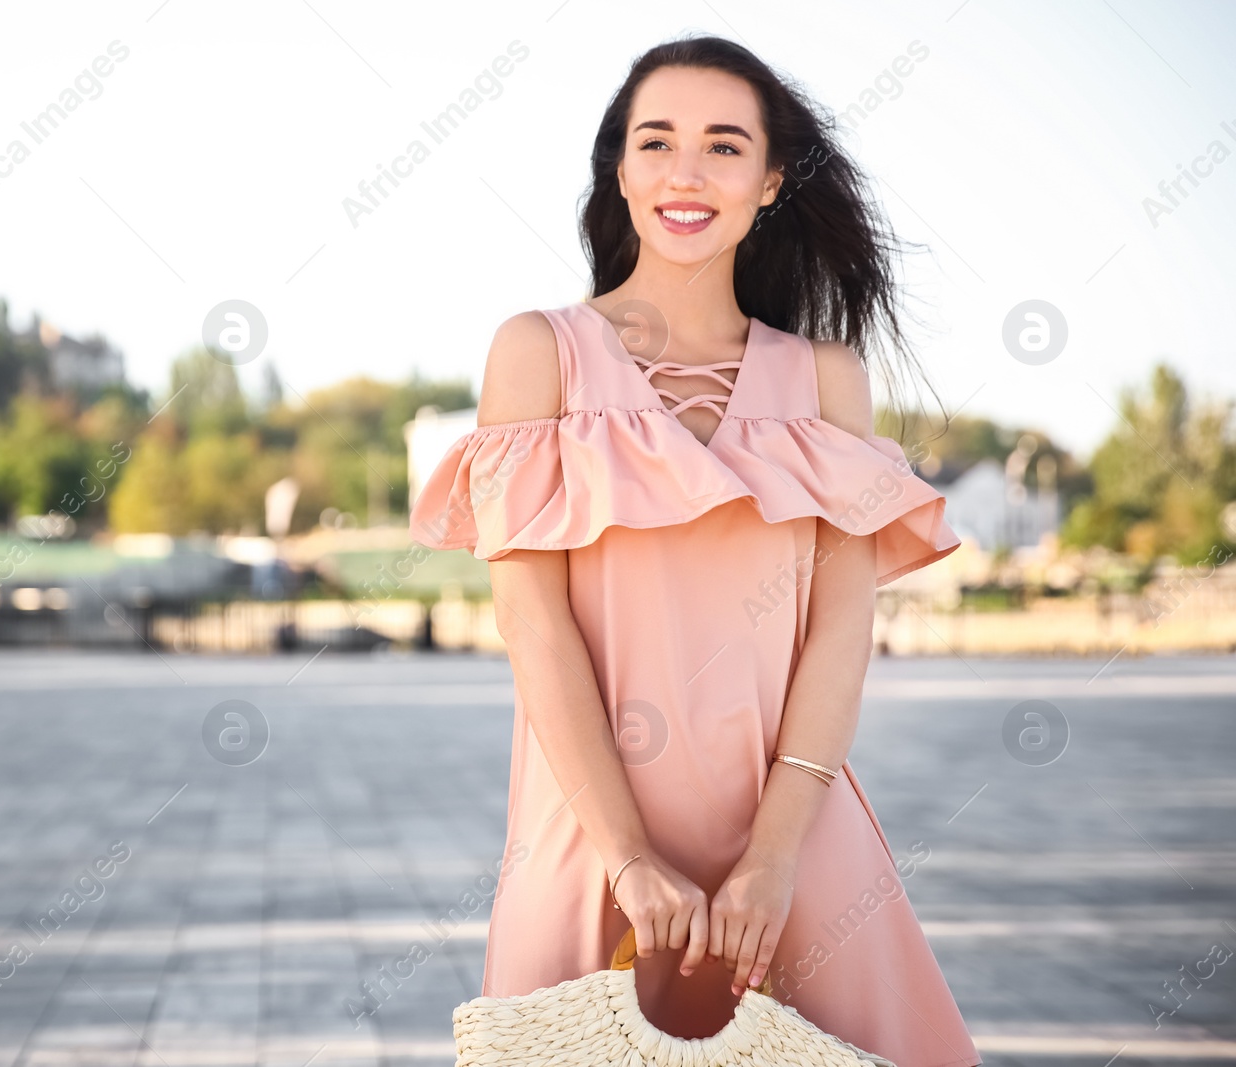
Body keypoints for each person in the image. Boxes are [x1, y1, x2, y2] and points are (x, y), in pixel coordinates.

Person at [409, 34, 980, 1066]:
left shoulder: (824, 380)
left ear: (768, 183)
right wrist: (628, 856)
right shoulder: (537, 353)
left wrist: (772, 859)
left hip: (796, 842)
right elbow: (532, 625)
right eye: (656, 140)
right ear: (618, 171)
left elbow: (840, 631)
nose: (685, 171)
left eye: (723, 147)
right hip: (587, 839)